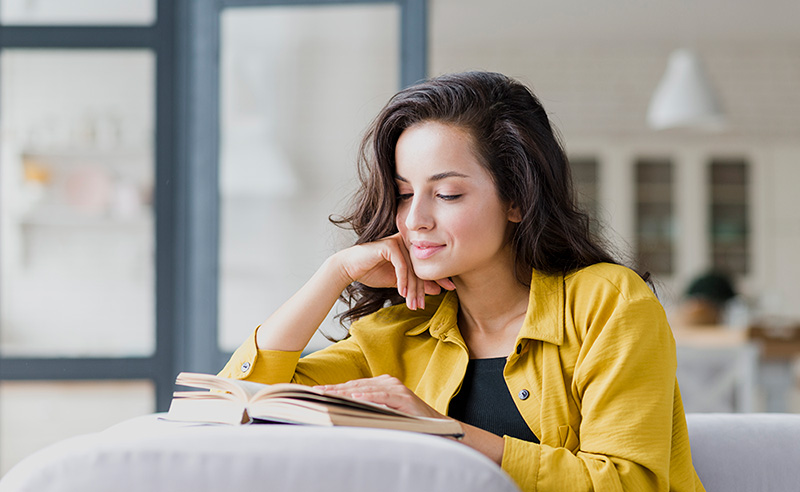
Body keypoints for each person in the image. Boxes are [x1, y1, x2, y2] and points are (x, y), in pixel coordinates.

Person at [219, 71, 705, 491]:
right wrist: (334, 273)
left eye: (447, 193)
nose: (415, 220)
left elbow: (630, 483)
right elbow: (235, 405)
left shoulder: (607, 303)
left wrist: (440, 431)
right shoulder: (399, 334)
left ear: (516, 199)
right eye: (405, 194)